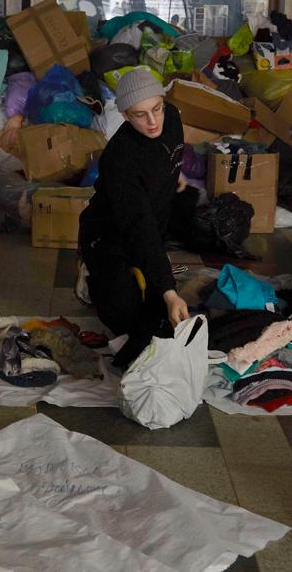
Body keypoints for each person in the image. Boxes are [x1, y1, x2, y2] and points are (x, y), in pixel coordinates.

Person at [78, 68, 197, 371]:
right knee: (126, 317)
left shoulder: (172, 117)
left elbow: (167, 158)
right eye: (140, 115)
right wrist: (169, 290)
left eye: (156, 109)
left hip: (151, 218)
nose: (153, 121)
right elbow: (138, 225)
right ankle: (90, 274)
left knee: (163, 315)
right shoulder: (120, 158)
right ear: (125, 116)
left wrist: (175, 176)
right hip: (108, 232)